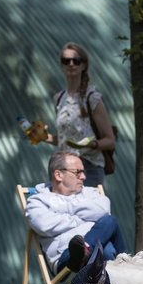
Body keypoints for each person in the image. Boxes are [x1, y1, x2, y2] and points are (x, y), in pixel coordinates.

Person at [25, 150, 127, 273]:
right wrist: (86, 219)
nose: (83, 177)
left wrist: (64, 209)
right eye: (77, 172)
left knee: (109, 223)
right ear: (58, 175)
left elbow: (104, 210)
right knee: (107, 250)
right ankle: (128, 268)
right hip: (67, 257)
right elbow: (44, 225)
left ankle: (87, 249)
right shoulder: (37, 201)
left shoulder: (89, 192)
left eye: (83, 172)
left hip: (93, 254)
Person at [50, 42, 115, 190]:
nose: (71, 64)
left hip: (88, 167)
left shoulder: (92, 98)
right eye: (66, 61)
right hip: (64, 168)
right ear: (61, 66)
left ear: (84, 65)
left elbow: (110, 140)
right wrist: (44, 137)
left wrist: (92, 144)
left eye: (76, 61)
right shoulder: (59, 98)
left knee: (88, 213)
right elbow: (65, 140)